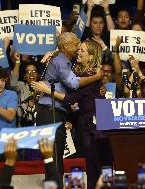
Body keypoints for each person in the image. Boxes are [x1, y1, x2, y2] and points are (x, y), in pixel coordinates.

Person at [32, 40, 105, 189]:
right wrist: (57, 53)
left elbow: (71, 98)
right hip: (85, 122)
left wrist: (48, 91)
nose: (79, 51)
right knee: (90, 163)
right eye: (78, 49)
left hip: (97, 122)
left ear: (91, 57)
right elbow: (67, 72)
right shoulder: (80, 73)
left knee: (99, 162)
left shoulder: (91, 74)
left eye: (83, 50)